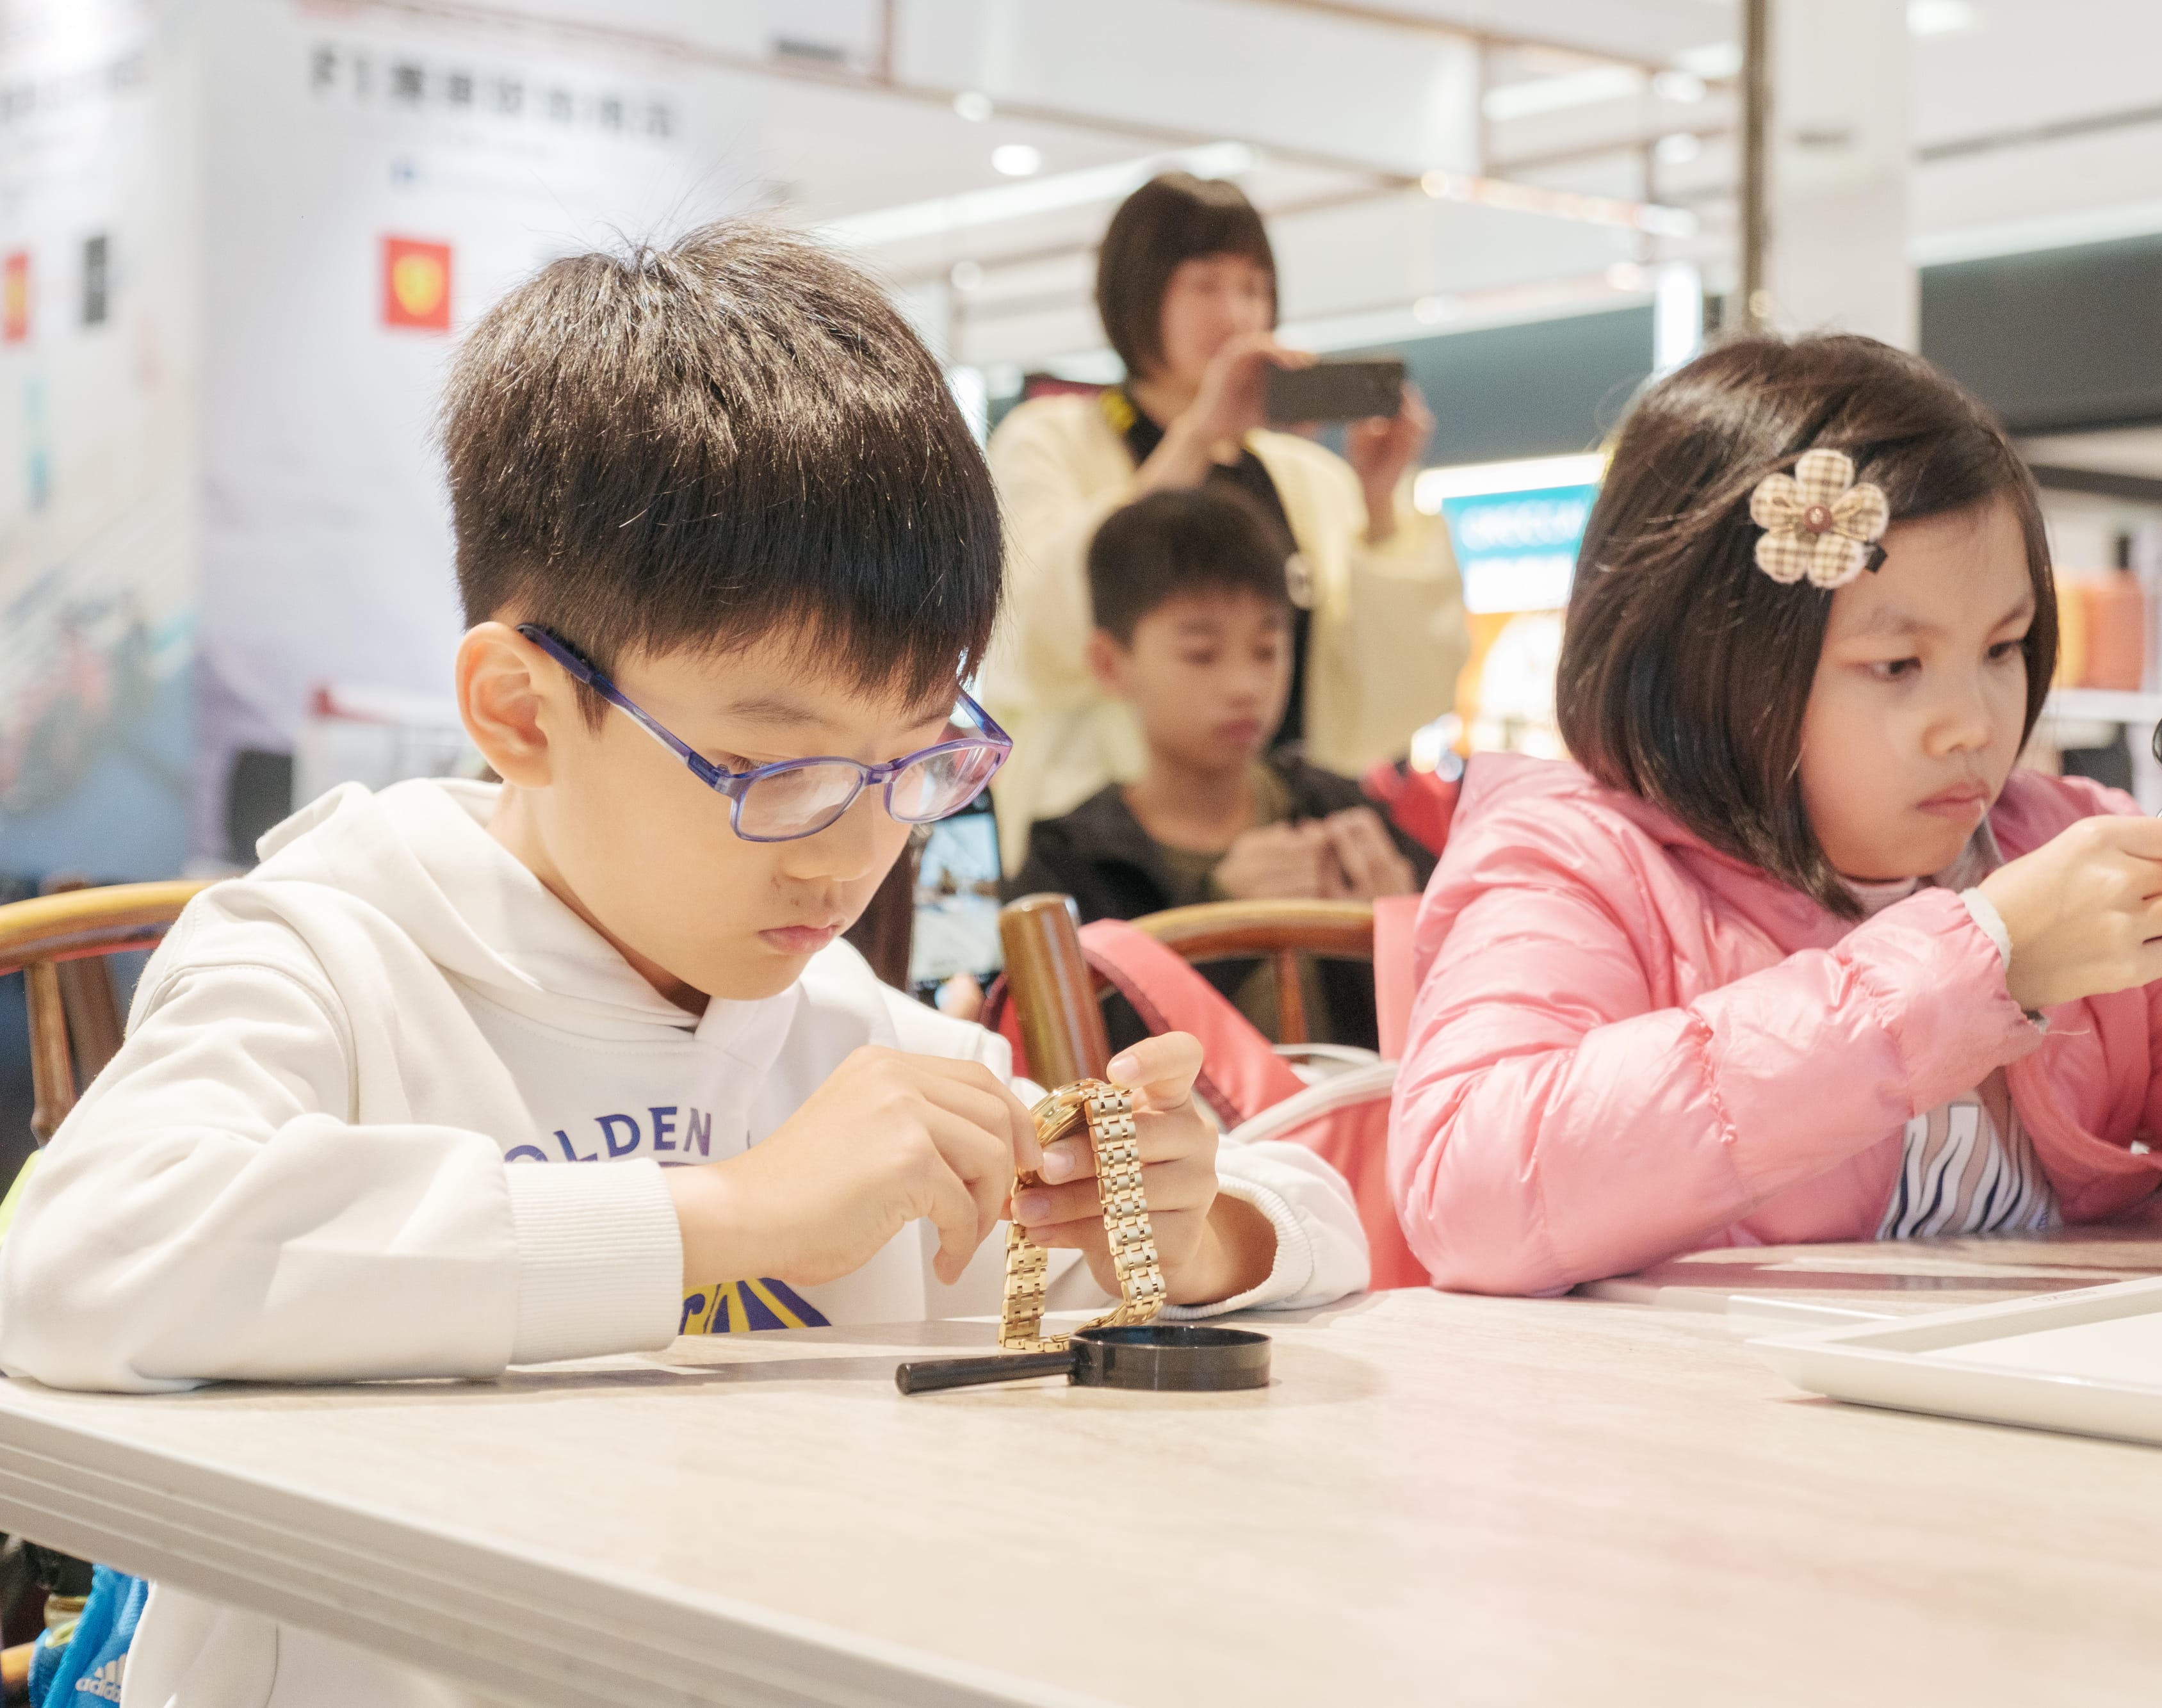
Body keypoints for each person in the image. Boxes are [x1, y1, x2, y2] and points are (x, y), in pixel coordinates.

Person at [0, 223, 1367, 1705]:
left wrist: (1192, 1222)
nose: (847, 857)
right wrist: (723, 1215)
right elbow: (81, 1267)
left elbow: (1316, 1216)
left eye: (916, 763)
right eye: (774, 773)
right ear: (521, 712)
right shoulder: (332, 955)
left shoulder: (848, 1029)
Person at [1389, 334, 2162, 1296]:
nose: (1971, 720)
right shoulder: (1573, 863)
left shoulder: (2055, 844)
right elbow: (1471, 1193)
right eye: (1897, 663)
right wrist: (1985, 963)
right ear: (1712, 665)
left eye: (2006, 647)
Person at [981, 171, 1468, 869]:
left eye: (1253, 288)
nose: (1236, 314)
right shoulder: (1051, 441)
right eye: (1205, 286)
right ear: (1138, 295)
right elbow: (1035, 633)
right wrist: (1196, 436)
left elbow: (1394, 693)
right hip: (1113, 858)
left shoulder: (1305, 479)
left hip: (1287, 847)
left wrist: (1379, 501)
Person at [1007, 487, 1433, 1045]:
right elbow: (1070, 1071)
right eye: (1201, 654)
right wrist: (1217, 916)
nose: (1245, 686)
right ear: (1110, 664)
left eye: (1267, 649)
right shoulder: (1068, 864)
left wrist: (1403, 931)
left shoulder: (1342, 817)